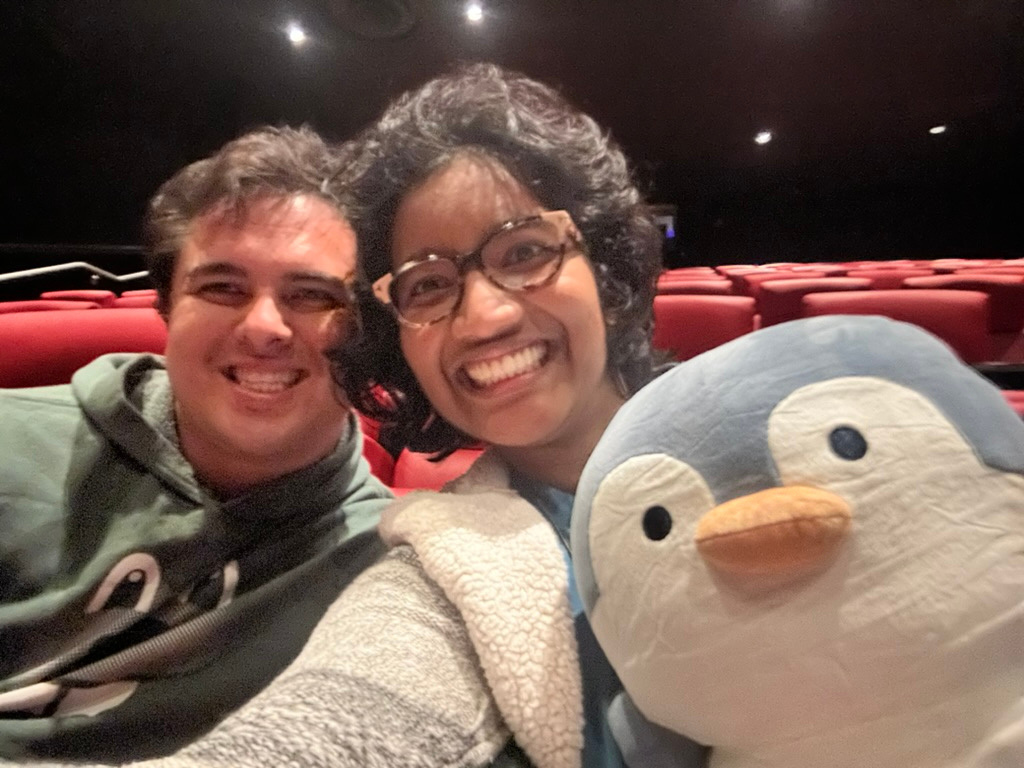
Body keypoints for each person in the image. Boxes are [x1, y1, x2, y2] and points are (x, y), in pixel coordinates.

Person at [328, 63, 706, 767]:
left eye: (525, 251)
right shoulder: (441, 572)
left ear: (609, 274)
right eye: (429, 286)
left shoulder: (789, 435)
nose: (486, 318)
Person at [0, 126, 391, 763]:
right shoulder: (9, 441)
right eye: (222, 288)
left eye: (313, 295)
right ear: (166, 308)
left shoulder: (391, 563)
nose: (265, 326)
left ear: (370, 335)